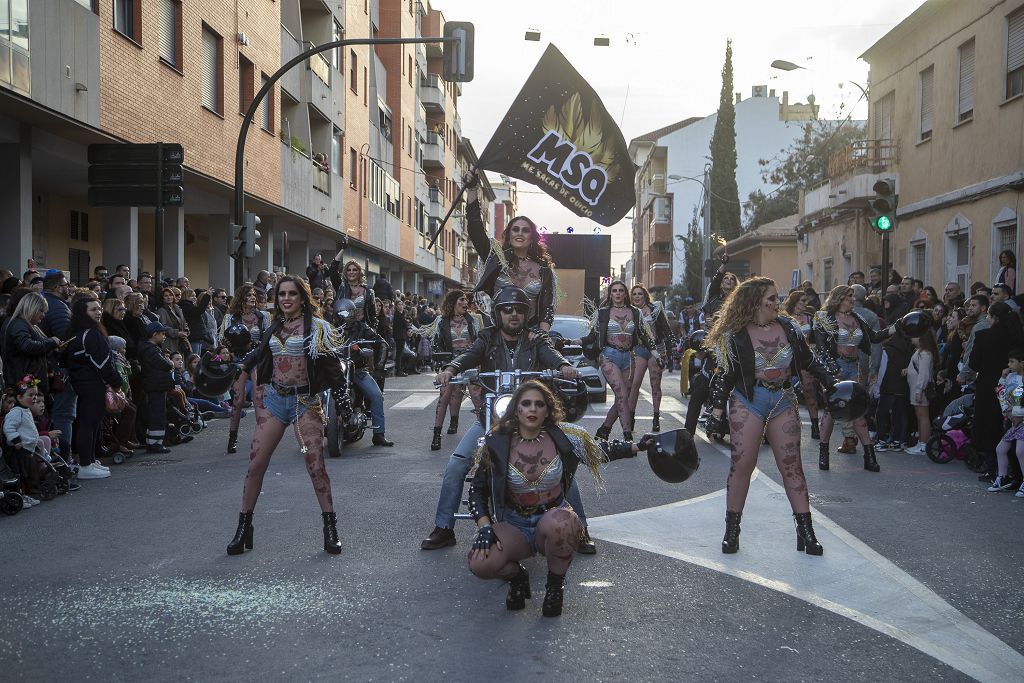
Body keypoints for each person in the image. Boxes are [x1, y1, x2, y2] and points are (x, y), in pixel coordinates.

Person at [466, 380, 647, 617]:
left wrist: (640, 446)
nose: (532, 410)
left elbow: (601, 451)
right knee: (480, 561)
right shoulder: (496, 441)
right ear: (516, 409)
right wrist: (485, 527)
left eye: (539, 404)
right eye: (526, 404)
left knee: (564, 522)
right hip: (513, 524)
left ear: (548, 410)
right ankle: (517, 578)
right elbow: (476, 490)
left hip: (551, 520)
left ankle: (555, 586)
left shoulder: (566, 437)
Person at [421, 286, 581, 552]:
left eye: (519, 309)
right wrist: (451, 369)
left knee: (562, 462)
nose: (513, 314)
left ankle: (581, 528)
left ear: (526, 313)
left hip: (531, 419)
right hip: (491, 416)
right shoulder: (487, 337)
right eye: (507, 309)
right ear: (498, 313)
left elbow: (551, 355)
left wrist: (563, 366)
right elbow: (468, 355)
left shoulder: (536, 338)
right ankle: (444, 527)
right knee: (457, 464)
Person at [703, 277, 834, 555]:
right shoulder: (735, 333)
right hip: (749, 401)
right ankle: (732, 531)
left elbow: (807, 360)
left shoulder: (789, 327)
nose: (778, 303)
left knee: (792, 466)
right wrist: (715, 412)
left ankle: (806, 532)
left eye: (777, 298)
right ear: (754, 303)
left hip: (783, 399)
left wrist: (830, 383)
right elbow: (725, 374)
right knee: (742, 465)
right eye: (771, 299)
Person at [226, 275, 346, 556]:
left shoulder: (317, 328)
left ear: (302, 297)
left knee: (315, 465)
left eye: (292, 293)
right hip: (275, 401)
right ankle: (244, 529)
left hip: (305, 402)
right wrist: (242, 367)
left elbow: (333, 368)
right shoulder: (274, 325)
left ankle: (330, 529)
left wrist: (343, 402)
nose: (286, 299)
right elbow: (258, 353)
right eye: (282, 294)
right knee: (256, 465)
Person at [812, 285, 898, 472]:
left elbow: (875, 337)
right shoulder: (823, 317)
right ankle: (824, 454)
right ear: (839, 298)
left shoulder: (857, 318)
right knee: (831, 410)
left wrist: (896, 327)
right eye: (849, 296)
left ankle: (869, 457)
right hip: (834, 368)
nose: (852, 299)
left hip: (855, 367)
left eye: (853, 296)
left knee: (858, 411)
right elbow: (820, 347)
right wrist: (831, 373)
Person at [464, 170, 556, 333]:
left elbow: (547, 307)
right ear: (509, 234)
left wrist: (541, 335)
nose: (520, 233)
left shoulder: (543, 269)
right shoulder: (496, 258)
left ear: (532, 237)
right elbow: (475, 230)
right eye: (515, 229)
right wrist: (471, 189)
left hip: (531, 336)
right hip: (497, 335)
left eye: (525, 230)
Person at [582, 280, 657, 442]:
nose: (617, 293)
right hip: (609, 356)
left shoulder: (635, 312)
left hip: (629, 358)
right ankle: (627, 435)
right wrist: (573, 341)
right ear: (610, 294)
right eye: (614, 290)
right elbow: (591, 337)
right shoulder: (603, 313)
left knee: (622, 397)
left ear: (625, 294)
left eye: (621, 290)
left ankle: (605, 429)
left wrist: (655, 353)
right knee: (622, 395)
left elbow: (645, 335)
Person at [66, 295, 120, 480]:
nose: (98, 312)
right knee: (88, 424)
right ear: (83, 313)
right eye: (93, 309)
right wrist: (116, 383)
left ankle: (90, 460)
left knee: (93, 423)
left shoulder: (83, 332)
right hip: (89, 385)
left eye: (99, 308)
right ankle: (85, 465)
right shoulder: (90, 334)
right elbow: (104, 364)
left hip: (87, 383)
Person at [969, 302, 1024, 480]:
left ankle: (993, 468)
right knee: (1013, 425)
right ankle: (1015, 472)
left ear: (995, 318)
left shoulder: (983, 336)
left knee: (989, 426)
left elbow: (973, 363)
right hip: (1015, 387)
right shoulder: (1017, 336)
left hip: (989, 387)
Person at [220, 284, 271, 454]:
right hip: (239, 360)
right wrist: (230, 344)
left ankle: (261, 438)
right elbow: (223, 340)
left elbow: (268, 339)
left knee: (258, 397)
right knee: (238, 400)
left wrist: (257, 344)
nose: (252, 298)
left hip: (257, 358)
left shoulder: (263, 316)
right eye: (249, 295)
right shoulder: (230, 318)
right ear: (242, 298)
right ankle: (232, 438)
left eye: (254, 295)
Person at [430, 289, 478, 450]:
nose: (465, 303)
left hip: (470, 362)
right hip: (449, 363)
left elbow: (479, 343)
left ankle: (487, 432)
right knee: (445, 396)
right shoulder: (441, 321)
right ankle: (437, 435)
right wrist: (443, 365)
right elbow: (436, 345)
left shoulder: (473, 320)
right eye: (461, 300)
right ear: (453, 303)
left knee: (477, 396)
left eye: (466, 300)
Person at [627, 284, 676, 432]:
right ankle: (631, 418)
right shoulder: (630, 312)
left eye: (640, 294)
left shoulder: (656, 309)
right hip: (639, 349)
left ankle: (656, 417)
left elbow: (666, 329)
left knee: (655, 385)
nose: (636, 296)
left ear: (645, 296)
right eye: (634, 294)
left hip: (657, 349)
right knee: (635, 384)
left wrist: (670, 351)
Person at [1, 293, 60, 399]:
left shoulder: (28, 325)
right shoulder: (19, 324)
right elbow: (27, 346)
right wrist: (51, 342)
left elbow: (37, 347)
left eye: (45, 312)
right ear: (31, 308)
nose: (43, 315)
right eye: (41, 311)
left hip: (30, 383)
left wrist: (52, 348)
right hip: (25, 385)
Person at [783, 289, 821, 439]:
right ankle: (787, 424)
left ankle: (815, 426)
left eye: (807, 301)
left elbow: (815, 339)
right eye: (803, 301)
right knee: (786, 393)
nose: (806, 304)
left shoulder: (810, 317)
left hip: (806, 358)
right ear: (795, 302)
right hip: (788, 358)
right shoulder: (785, 318)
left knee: (810, 391)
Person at [988, 348, 1024, 494]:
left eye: (1012, 361)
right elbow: (1002, 392)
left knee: (1020, 451)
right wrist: (1002, 378)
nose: (1009, 364)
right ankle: (1002, 477)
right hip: (1013, 418)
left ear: (1022, 363)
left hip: (1022, 419)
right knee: (1000, 449)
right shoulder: (1010, 377)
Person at [137, 322, 175, 454]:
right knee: (157, 415)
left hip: (156, 385)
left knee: (157, 413)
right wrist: (170, 363)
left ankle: (153, 441)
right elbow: (165, 365)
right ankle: (155, 443)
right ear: (154, 334)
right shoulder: (150, 350)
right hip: (156, 386)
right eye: (162, 333)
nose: (164, 336)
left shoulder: (150, 349)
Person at [904, 328, 938, 455]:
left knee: (923, 417)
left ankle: (924, 445)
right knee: (919, 416)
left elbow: (923, 375)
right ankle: (921, 442)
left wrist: (919, 391)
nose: (912, 338)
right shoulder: (920, 352)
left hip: (920, 391)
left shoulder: (925, 354)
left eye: (915, 335)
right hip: (916, 389)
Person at [328, 258, 377, 327]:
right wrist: (342, 249)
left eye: (355, 270)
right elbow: (332, 270)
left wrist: (372, 330)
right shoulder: (341, 288)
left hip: (361, 330)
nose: (351, 272)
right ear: (345, 272)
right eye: (349, 270)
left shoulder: (368, 291)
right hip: (343, 329)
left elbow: (373, 316)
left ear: (359, 272)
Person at [157, 287, 189, 356]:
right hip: (169, 342)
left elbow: (184, 322)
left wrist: (186, 331)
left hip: (181, 342)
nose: (169, 297)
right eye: (166, 296)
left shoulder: (178, 309)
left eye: (170, 295)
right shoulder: (162, 311)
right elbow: (163, 327)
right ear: (162, 298)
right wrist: (178, 333)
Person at [702, 253, 737, 318]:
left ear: (735, 285)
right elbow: (717, 278)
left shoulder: (737, 299)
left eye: (732, 279)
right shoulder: (714, 296)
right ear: (721, 284)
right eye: (726, 278)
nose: (729, 280)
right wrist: (723, 263)